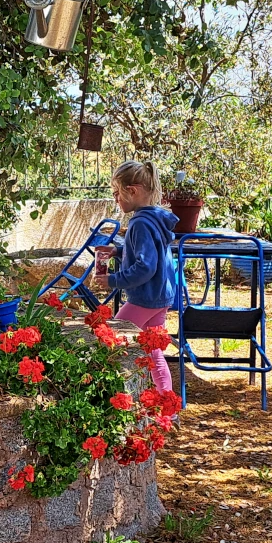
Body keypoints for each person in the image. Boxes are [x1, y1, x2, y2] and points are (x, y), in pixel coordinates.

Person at [107, 160, 181, 395]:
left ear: (133, 191)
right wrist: (118, 251)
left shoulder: (139, 222)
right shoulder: (156, 218)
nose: (116, 200)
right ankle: (166, 406)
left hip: (145, 297)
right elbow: (152, 253)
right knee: (153, 350)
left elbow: (145, 267)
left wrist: (113, 280)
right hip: (161, 296)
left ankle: (118, 401)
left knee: (111, 341)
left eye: (117, 193)